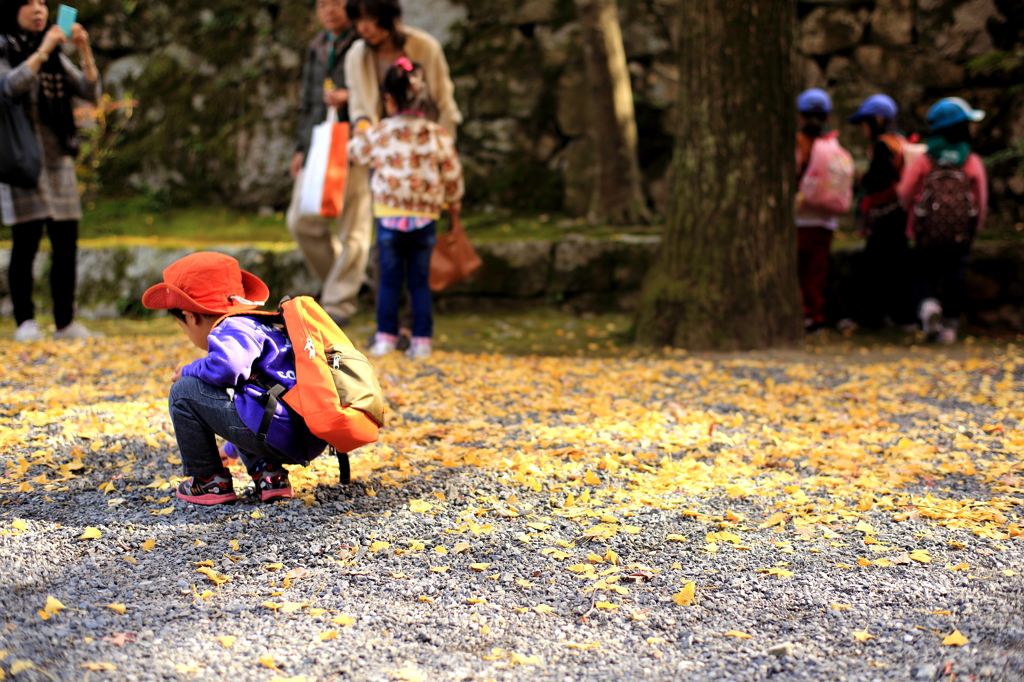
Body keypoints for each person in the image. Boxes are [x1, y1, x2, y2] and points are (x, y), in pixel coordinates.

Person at [142, 252, 328, 505]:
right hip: (306, 436)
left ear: (190, 316)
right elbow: (257, 395)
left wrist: (189, 370)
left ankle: (208, 481)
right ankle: (270, 475)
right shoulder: (263, 325)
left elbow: (228, 368)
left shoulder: (231, 328)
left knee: (184, 391)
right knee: (241, 392)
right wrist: (231, 449)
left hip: (281, 434)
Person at [348, 58, 464, 359]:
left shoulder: (381, 132)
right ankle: (422, 341)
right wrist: (453, 198)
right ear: (422, 94)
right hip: (425, 219)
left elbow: (356, 153)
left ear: (387, 99)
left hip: (389, 218)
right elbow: (452, 172)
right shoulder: (436, 133)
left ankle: (385, 336)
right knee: (419, 281)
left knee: (388, 279)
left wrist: (362, 129)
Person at [0, 0, 101, 341]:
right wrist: (43, 50)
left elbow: (89, 91)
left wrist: (83, 51)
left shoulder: (57, 55)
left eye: (42, 3)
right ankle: (25, 321)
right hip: (20, 160)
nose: (38, 9)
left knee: (66, 241)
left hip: (57, 158)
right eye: (27, 3)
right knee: (26, 241)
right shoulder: (5, 47)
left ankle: (64, 322)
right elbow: (9, 87)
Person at [286, 0, 370, 328]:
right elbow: (308, 102)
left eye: (337, 2)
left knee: (354, 228)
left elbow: (379, 91)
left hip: (354, 143)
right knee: (301, 221)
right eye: (323, 4)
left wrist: (353, 97)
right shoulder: (318, 46)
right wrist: (300, 149)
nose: (329, 9)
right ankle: (348, 281)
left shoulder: (364, 44)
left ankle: (339, 302)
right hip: (319, 143)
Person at [898, 97, 988, 344]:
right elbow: (980, 200)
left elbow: (905, 193)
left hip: (926, 233)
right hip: (960, 235)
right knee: (954, 277)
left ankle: (927, 306)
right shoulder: (971, 161)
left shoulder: (925, 160)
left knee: (923, 272)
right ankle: (950, 324)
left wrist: (912, 217)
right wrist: (973, 228)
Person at [847, 94, 916, 331]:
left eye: (865, 123)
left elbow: (879, 177)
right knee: (898, 264)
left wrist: (863, 178)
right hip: (902, 212)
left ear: (877, 119)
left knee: (874, 268)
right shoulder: (902, 142)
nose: (864, 129)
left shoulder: (883, 145)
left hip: (886, 213)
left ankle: (869, 316)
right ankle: (903, 316)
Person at [344, 0, 461, 136]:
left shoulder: (425, 47)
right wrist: (362, 124)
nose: (362, 28)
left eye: (369, 18)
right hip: (382, 144)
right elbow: (359, 105)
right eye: (357, 20)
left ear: (388, 15)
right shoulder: (356, 56)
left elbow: (443, 100)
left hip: (425, 138)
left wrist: (443, 141)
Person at [794, 88, 844, 333]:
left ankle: (805, 314)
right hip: (826, 219)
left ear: (800, 115)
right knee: (817, 271)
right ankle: (817, 315)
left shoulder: (799, 143)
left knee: (799, 270)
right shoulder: (832, 144)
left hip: (801, 217)